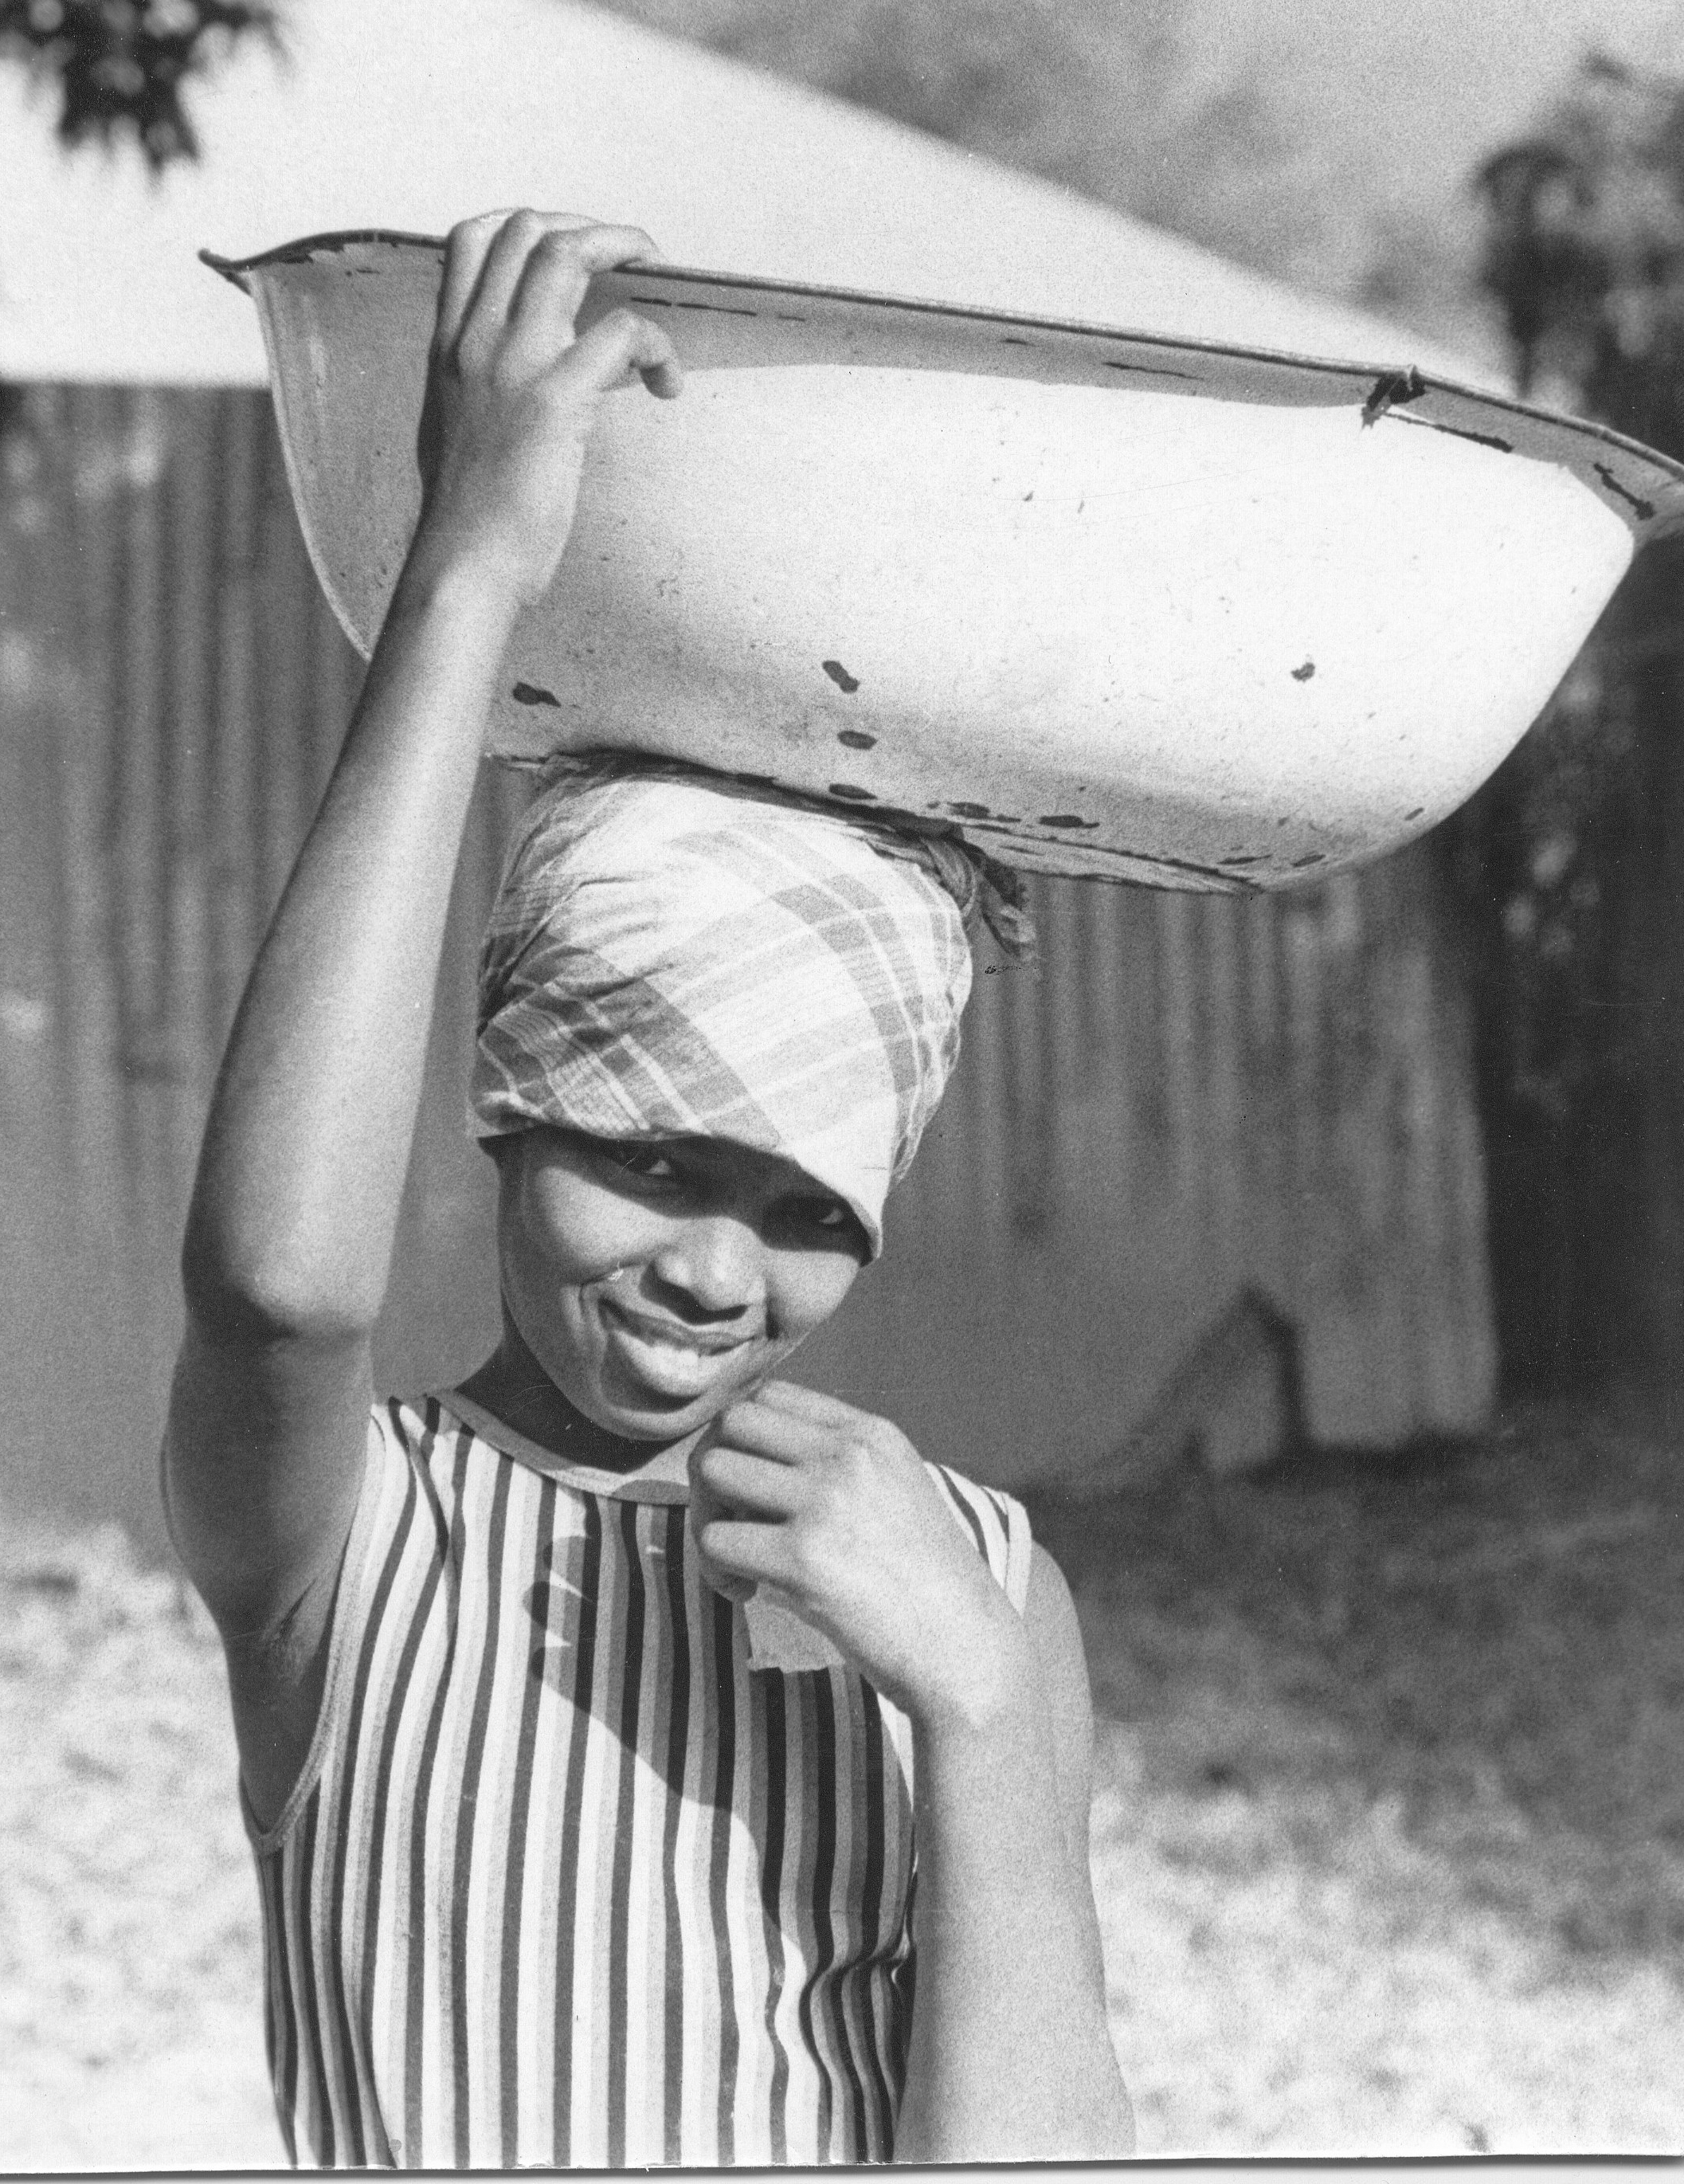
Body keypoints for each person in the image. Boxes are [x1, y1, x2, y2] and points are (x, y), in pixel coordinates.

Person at [163, 209, 1134, 2169]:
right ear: (513, 1105)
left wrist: (967, 1701)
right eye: (652, 1154)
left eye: (804, 1205)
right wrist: (469, 574)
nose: (712, 1266)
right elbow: (278, 1286)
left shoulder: (974, 1583)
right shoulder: (348, 1535)